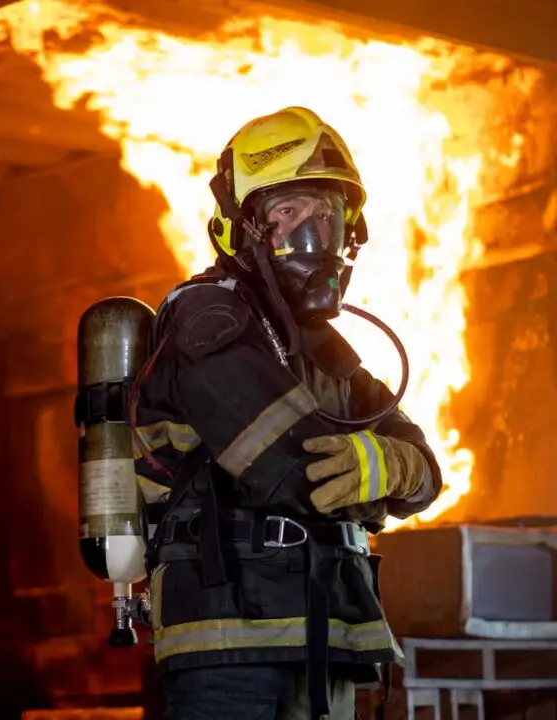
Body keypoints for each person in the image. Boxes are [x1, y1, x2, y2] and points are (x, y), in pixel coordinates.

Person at [129, 106, 442, 720]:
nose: (313, 233)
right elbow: (297, 474)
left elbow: (428, 471)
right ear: (241, 227)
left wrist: (396, 468)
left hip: (329, 638)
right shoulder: (206, 319)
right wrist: (385, 470)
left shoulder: (324, 349)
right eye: (289, 211)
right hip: (232, 644)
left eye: (328, 213)